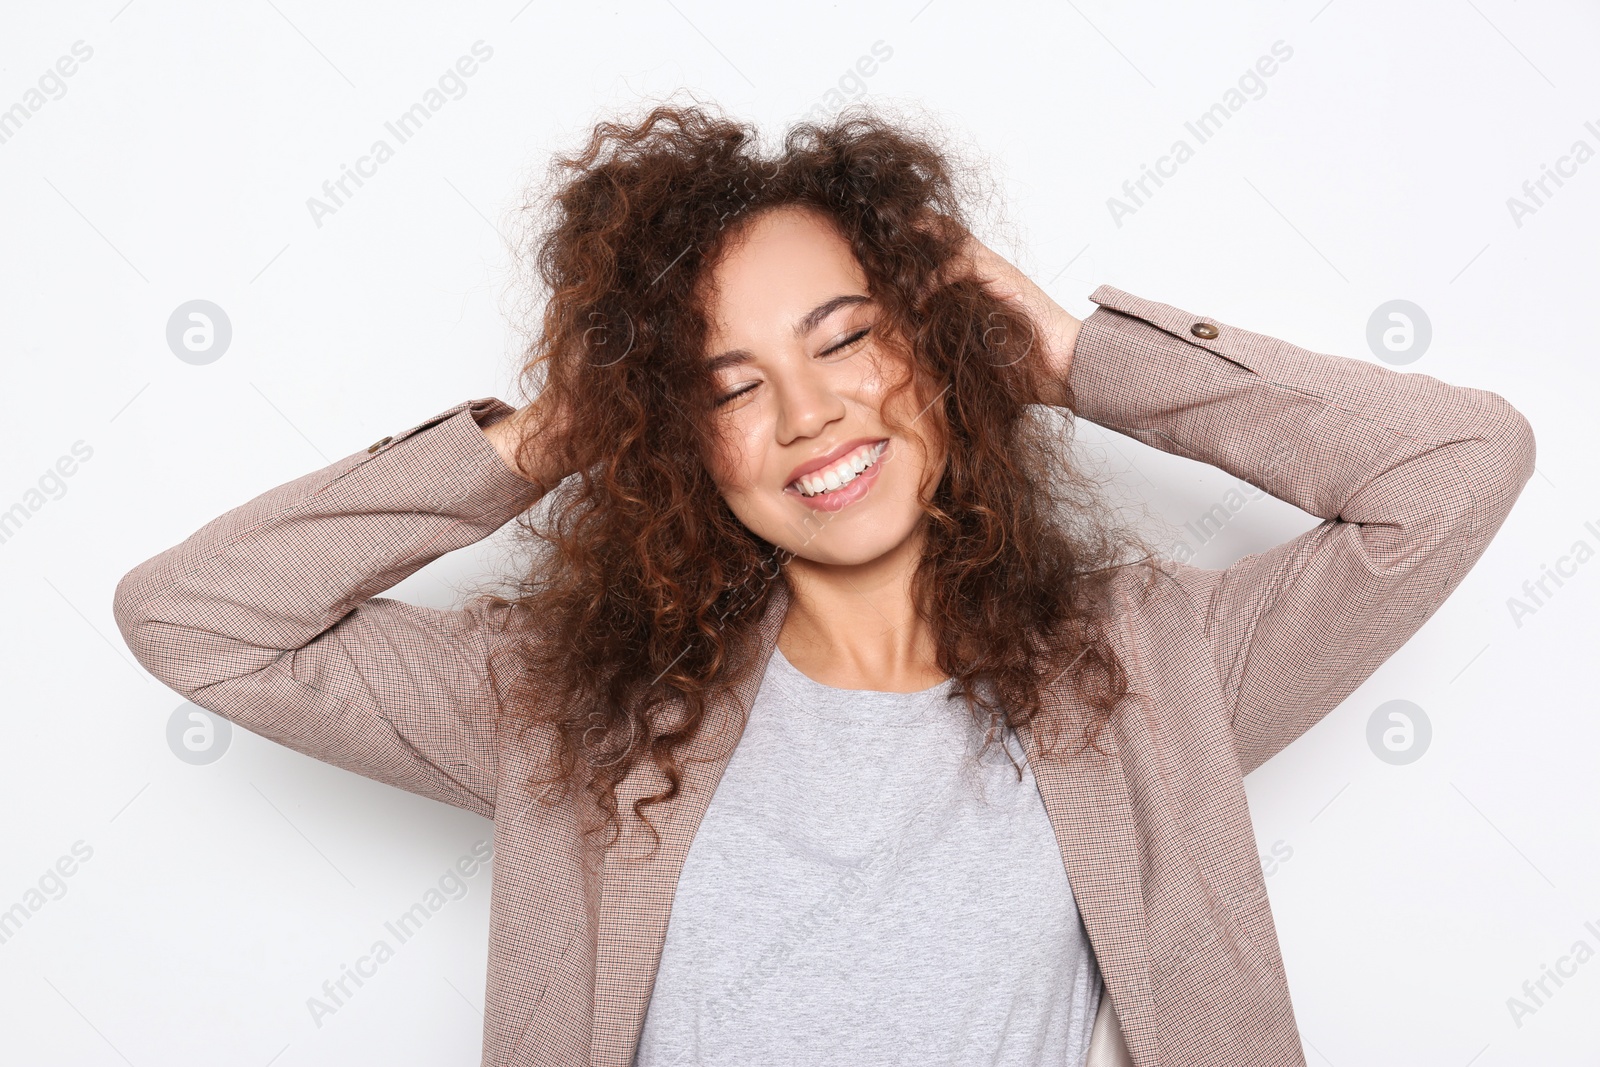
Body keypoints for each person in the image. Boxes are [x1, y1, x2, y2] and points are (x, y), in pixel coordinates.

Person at [113, 100, 1536, 1067]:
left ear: (931, 343)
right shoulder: (579, 708)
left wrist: (1064, 349)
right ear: (678, 437)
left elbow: (1455, 466)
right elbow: (200, 619)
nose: (808, 418)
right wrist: (565, 423)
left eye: (848, 338)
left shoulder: (1158, 668)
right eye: (726, 386)